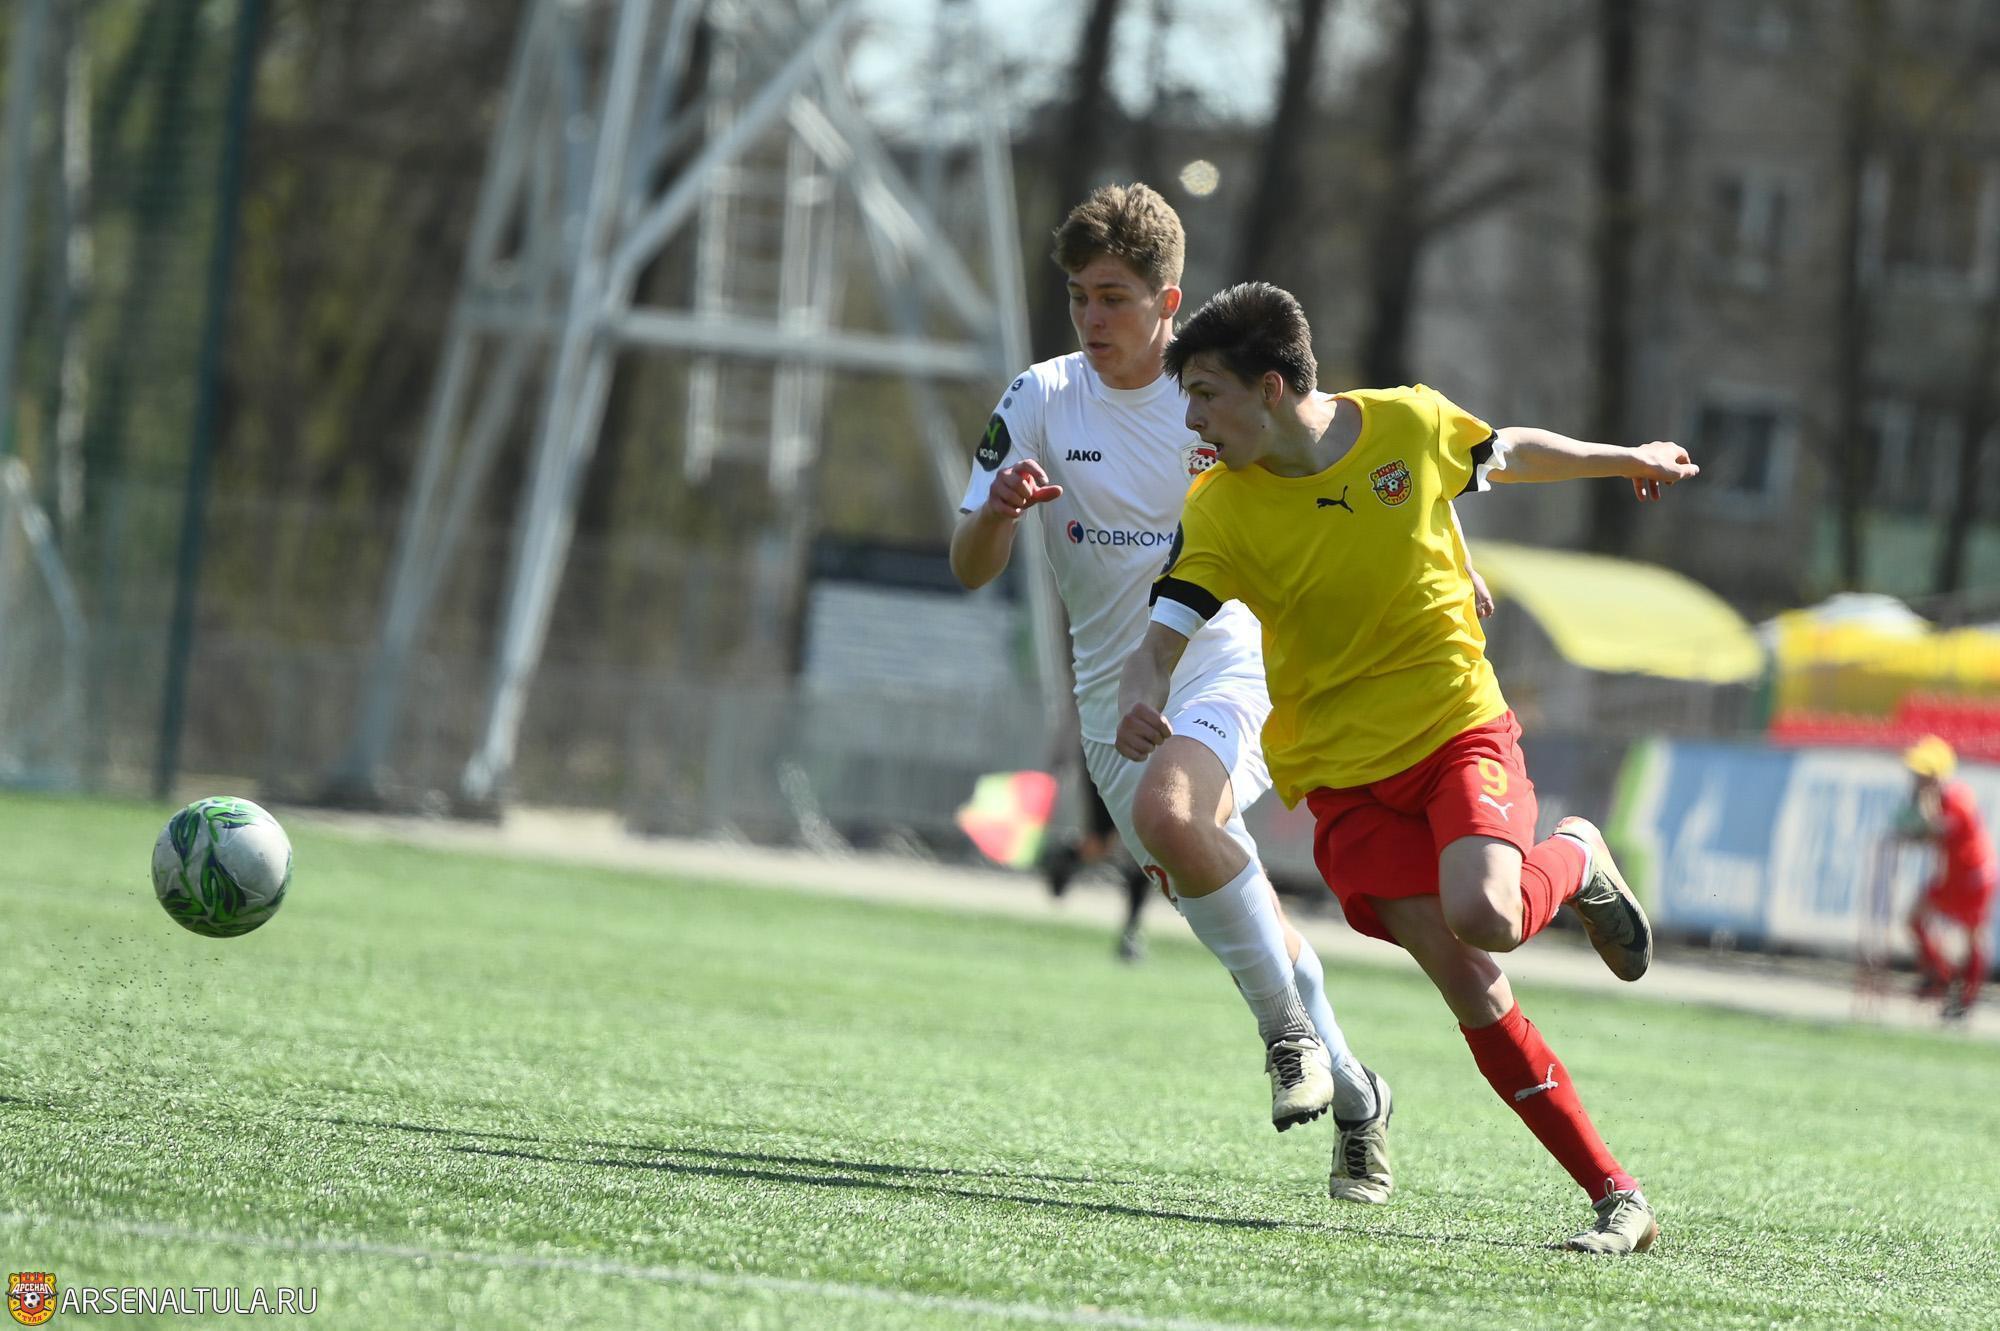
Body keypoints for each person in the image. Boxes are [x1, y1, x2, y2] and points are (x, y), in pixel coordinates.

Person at [1119, 280, 1699, 1255]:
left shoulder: (1407, 425)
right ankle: (1617, 1195)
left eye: (1206, 395)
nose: (1193, 420)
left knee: (1489, 915)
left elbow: (1509, 452)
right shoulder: (1219, 507)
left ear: (1269, 388)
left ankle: (1576, 854)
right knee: (1469, 980)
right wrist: (1141, 691)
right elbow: (1162, 634)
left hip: (1452, 730)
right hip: (1342, 778)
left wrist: (1625, 457)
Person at [950, 185, 1394, 1203]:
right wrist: (999, 515)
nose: (1091, 318)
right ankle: (1357, 1091)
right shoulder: (1040, 397)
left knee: (1175, 811)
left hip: (1227, 664)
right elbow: (968, 564)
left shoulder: (1221, 393)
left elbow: (1352, 470)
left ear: (1168, 300)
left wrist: (1445, 562)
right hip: (1114, 700)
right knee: (1239, 911)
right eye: (1078, 296)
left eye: (1113, 297)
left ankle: (1286, 1040)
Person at [1894, 735, 1996, 1021]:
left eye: (1920, 774)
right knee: (1914, 918)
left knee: (1974, 936)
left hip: (1974, 877)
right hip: (1952, 875)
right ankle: (1941, 974)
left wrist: (1920, 812)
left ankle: (1966, 997)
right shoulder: (1939, 799)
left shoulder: (1957, 798)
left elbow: (1936, 831)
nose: (1914, 779)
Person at [1041, 753, 1157, 962]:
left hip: (1155, 763)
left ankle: (1131, 931)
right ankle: (1065, 860)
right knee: (1098, 845)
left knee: (1146, 849)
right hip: (1111, 755)